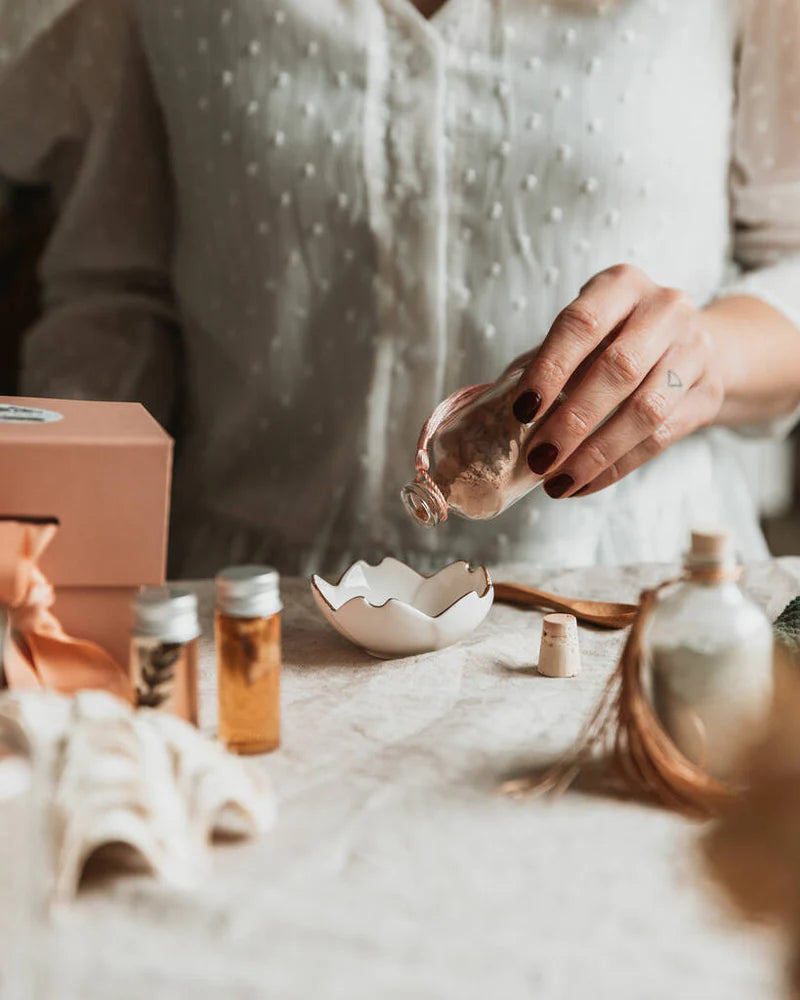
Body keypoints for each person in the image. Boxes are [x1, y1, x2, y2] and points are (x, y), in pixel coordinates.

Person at [0, 0, 798, 577]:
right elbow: (114, 296)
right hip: (254, 615)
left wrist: (708, 354)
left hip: (629, 604)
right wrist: (58, 572)